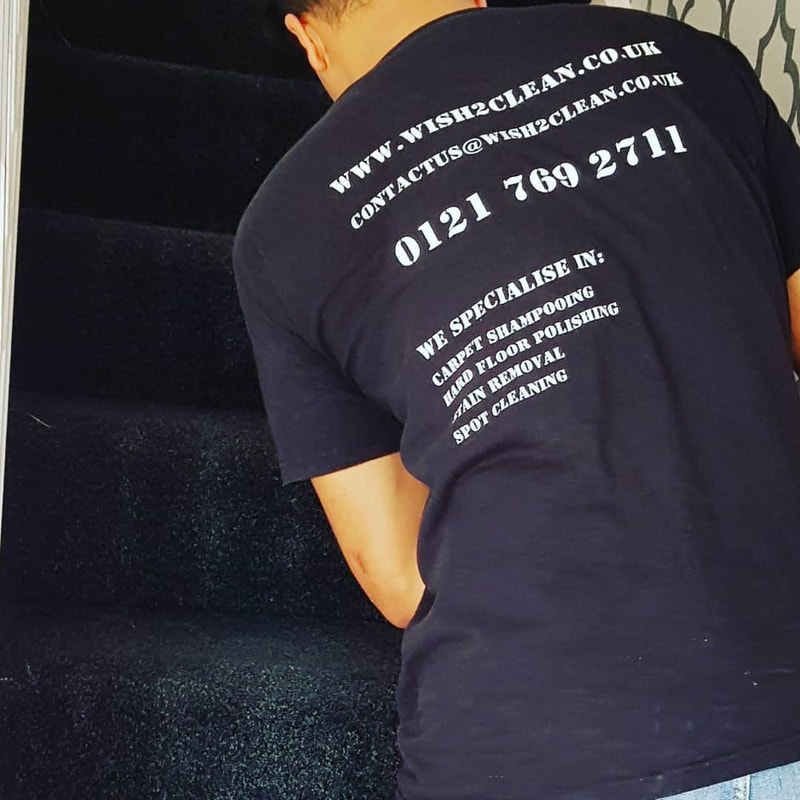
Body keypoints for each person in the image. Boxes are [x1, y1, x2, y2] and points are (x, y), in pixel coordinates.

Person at [231, 1, 800, 798]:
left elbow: (398, 574)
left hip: (526, 747)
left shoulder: (284, 224)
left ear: (305, 35)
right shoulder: (689, 61)